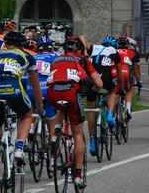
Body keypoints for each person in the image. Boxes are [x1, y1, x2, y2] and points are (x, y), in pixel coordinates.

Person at [0, 30, 45, 193]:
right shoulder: (27, 56)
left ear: (5, 44)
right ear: (23, 44)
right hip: (14, 89)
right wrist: (39, 109)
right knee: (26, 114)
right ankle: (19, 147)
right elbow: (36, 87)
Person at [47, 36, 103, 189]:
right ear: (79, 49)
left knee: (60, 109)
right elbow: (99, 83)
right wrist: (88, 91)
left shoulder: (56, 59)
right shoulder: (83, 59)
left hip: (52, 92)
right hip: (71, 92)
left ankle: (55, 137)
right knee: (77, 132)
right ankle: (78, 175)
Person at [86, 35, 123, 156]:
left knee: (91, 109)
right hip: (105, 75)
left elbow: (82, 38)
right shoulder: (114, 51)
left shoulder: (93, 48)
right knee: (112, 91)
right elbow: (119, 73)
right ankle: (110, 115)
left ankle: (92, 141)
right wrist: (121, 89)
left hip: (91, 76)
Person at [116, 36, 141, 120]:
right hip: (126, 73)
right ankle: (128, 107)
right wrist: (138, 81)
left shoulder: (113, 51)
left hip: (115, 73)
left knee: (115, 91)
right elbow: (135, 70)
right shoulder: (133, 52)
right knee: (130, 89)